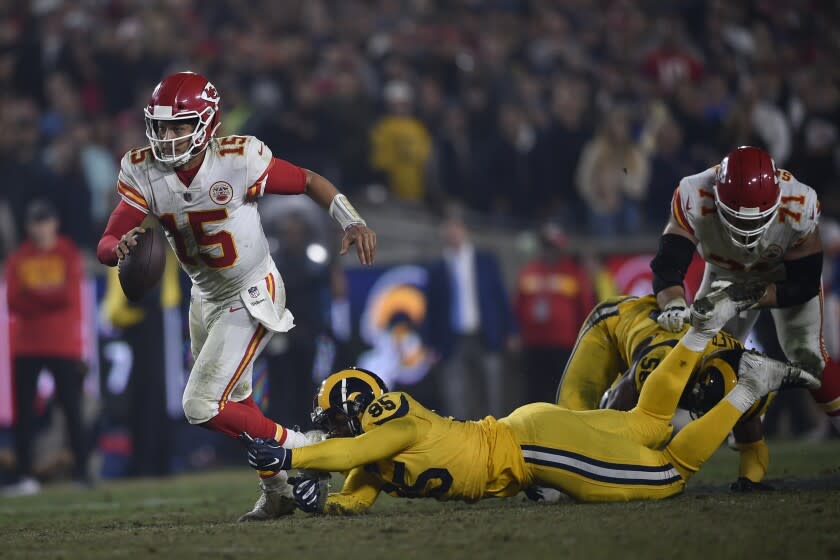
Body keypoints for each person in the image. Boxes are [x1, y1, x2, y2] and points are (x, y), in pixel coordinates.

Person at [242, 283, 819, 513]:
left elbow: (341, 455)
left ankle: (750, 386)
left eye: (338, 423)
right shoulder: (372, 454)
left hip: (533, 451)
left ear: (356, 412)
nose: (337, 434)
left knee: (667, 477)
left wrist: (290, 456)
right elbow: (354, 495)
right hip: (529, 434)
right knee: (647, 424)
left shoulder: (390, 420)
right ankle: (698, 333)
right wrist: (320, 504)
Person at [95, 71, 376, 521]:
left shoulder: (237, 158)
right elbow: (108, 241)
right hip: (203, 296)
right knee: (238, 402)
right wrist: (119, 248)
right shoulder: (143, 168)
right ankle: (279, 489)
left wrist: (352, 220)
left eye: (179, 126)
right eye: (161, 126)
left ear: (206, 124)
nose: (167, 137)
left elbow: (306, 180)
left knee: (200, 404)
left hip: (249, 291)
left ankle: (312, 447)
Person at [651, 145, 840, 431]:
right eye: (736, 216)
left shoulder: (799, 202)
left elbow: (803, 284)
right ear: (716, 196)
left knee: (808, 355)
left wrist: (745, 297)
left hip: (780, 272)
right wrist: (674, 305)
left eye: (758, 218)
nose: (746, 227)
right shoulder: (693, 192)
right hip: (725, 269)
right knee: (707, 355)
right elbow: (668, 267)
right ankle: (742, 449)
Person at [555, 293, 772, 489]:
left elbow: (753, 448)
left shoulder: (744, 380)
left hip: (657, 345)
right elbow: (615, 416)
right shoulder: (665, 360)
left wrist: (749, 480)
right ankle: (549, 476)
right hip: (612, 325)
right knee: (572, 414)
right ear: (698, 378)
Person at [3, 200, 89, 495]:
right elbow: (14, 301)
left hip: (61, 344)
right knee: (24, 413)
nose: (40, 228)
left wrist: (34, 295)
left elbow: (65, 296)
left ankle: (83, 472)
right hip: (26, 345)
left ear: (54, 223)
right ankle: (25, 475)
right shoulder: (20, 258)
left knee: (72, 410)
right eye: (35, 223)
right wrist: (47, 295)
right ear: (28, 226)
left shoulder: (67, 252)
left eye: (44, 222)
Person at [425, 207, 518, 419]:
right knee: (456, 396)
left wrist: (511, 331)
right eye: (448, 230)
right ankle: (462, 443)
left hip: (485, 335)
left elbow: (500, 297)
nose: (453, 234)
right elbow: (431, 309)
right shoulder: (438, 268)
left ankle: (495, 439)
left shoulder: (485, 261)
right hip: (453, 339)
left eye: (456, 228)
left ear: (465, 230)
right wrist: (430, 343)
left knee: (492, 392)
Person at [514, 222, 595, 403]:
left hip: (564, 345)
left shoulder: (574, 272)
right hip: (533, 344)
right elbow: (518, 306)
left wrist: (585, 340)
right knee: (534, 393)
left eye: (552, 246)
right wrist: (516, 335)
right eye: (546, 246)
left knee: (562, 392)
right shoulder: (529, 270)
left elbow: (586, 307)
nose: (549, 250)